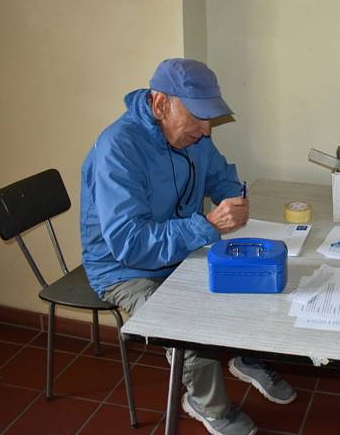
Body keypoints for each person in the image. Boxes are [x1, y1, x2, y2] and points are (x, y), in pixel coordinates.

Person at [80, 58, 296, 435]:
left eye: (210, 116)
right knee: (189, 321)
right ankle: (206, 404)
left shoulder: (193, 138)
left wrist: (234, 199)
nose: (206, 127)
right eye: (198, 115)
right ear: (160, 104)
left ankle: (245, 358)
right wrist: (207, 225)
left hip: (182, 247)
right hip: (125, 269)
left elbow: (220, 175)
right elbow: (130, 244)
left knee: (253, 270)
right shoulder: (117, 148)